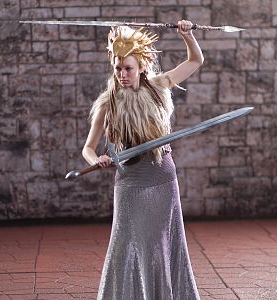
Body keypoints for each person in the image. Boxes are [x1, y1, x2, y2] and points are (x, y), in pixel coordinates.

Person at [82, 20, 204, 300]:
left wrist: (187, 35)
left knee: (160, 246)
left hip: (162, 177)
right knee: (125, 244)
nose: (123, 74)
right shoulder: (107, 102)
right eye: (118, 68)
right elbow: (88, 148)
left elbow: (195, 60)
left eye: (128, 68)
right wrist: (97, 158)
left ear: (142, 68)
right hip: (130, 181)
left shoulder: (160, 86)